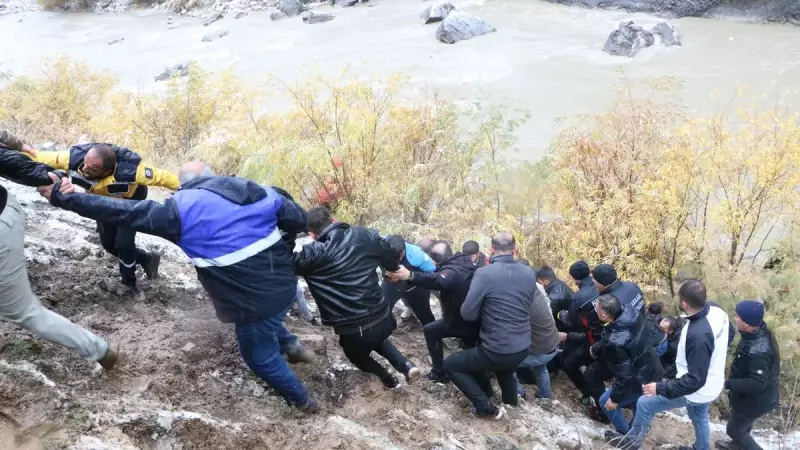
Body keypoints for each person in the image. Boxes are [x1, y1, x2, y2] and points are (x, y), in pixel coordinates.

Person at [43, 162, 318, 410]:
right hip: (284, 285)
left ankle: (303, 401)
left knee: (260, 357)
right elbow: (299, 220)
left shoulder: (178, 210)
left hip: (251, 302)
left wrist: (64, 198)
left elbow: (120, 211)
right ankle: (295, 348)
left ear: (183, 185)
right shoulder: (258, 190)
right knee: (267, 321)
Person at [0, 131, 119, 370]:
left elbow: (8, 158)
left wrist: (49, 175)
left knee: (25, 311)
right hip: (7, 214)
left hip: (2, 226)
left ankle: (100, 351)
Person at [292, 207, 421, 388]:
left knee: (356, 355)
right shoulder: (365, 235)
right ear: (334, 220)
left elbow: (283, 261)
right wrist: (390, 268)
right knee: (376, 338)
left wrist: (288, 230)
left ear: (312, 234)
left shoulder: (311, 254)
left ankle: (388, 381)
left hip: (352, 327)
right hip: (383, 316)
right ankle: (406, 366)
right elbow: (392, 253)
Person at [30, 143, 179, 300]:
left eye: (93, 169)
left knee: (124, 244)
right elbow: (38, 156)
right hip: (103, 204)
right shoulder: (72, 159)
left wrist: (191, 191)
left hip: (130, 205)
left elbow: (165, 178)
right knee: (108, 245)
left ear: (107, 171)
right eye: (85, 163)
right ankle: (147, 259)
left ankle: (129, 284)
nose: (85, 169)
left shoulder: (133, 171)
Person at [612, 279, 730, 450]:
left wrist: (660, 388)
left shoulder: (697, 334)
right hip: (713, 381)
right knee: (699, 414)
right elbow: (729, 335)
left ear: (684, 303)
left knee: (645, 404)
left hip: (696, 389)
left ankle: (632, 443)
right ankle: (701, 448)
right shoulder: (719, 313)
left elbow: (694, 381)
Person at [444, 232, 532, 419]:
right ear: (514, 251)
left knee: (451, 365)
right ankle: (511, 406)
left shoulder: (484, 273)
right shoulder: (529, 272)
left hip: (496, 349)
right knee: (506, 373)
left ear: (491, 250)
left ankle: (485, 407)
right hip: (522, 346)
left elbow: (467, 313)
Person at [387, 241, 479, 383]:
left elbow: (440, 281)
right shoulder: (463, 261)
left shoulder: (451, 272)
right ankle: (442, 372)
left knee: (433, 332)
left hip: (464, 323)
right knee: (434, 331)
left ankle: (443, 373)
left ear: (432, 259)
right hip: (470, 319)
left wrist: (410, 275)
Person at [594, 295, 664, 441]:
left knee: (605, 402)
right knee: (637, 402)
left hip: (638, 379)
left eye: (597, 308)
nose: (595, 309)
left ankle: (626, 435)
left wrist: (614, 399)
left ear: (604, 315)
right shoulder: (632, 312)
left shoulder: (615, 342)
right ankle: (637, 428)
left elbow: (624, 375)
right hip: (652, 367)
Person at [715, 301, 780, 450]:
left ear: (747, 323)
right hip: (750, 397)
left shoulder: (759, 350)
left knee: (735, 430)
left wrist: (727, 384)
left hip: (756, 400)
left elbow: (757, 383)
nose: (735, 318)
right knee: (743, 426)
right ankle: (737, 446)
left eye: (738, 317)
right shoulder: (757, 332)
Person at [557, 260, 604, 420]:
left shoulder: (578, 298)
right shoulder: (601, 286)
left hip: (592, 340)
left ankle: (590, 398)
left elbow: (575, 326)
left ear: (575, 279)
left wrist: (563, 316)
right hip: (607, 335)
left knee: (568, 364)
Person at [515, 280, 559, 402]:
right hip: (552, 347)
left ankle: (518, 394)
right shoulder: (538, 292)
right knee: (541, 368)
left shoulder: (520, 303)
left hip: (538, 352)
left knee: (506, 364)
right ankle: (545, 396)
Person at [383, 235, 437, 326]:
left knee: (425, 315)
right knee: (382, 306)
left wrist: (410, 275)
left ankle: (434, 334)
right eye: (395, 257)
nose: (399, 259)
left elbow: (432, 274)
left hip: (416, 286)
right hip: (391, 284)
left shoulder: (418, 254)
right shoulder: (379, 247)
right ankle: (388, 328)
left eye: (401, 255)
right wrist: (385, 274)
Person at [536, 265, 574, 332]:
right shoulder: (558, 282)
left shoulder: (554, 297)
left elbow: (546, 316)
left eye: (539, 283)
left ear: (546, 282)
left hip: (569, 325)